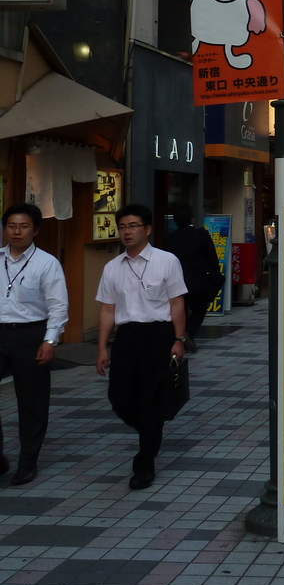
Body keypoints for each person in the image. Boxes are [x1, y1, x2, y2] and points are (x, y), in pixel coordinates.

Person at [95, 204, 187, 490]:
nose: (127, 232)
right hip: (126, 338)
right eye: (122, 227)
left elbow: (176, 303)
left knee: (149, 399)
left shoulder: (166, 261)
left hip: (158, 336)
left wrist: (178, 339)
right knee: (120, 399)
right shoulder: (112, 267)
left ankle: (144, 463)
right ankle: (152, 428)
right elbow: (107, 310)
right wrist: (101, 348)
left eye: (133, 226)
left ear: (147, 229)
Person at [0, 203, 68, 486]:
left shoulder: (47, 263)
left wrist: (50, 339)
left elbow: (58, 305)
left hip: (31, 336)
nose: (17, 231)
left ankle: (27, 463)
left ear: (35, 230)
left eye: (23, 226)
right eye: (12, 226)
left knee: (32, 403)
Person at [160, 204, 222, 353]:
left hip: (175, 281)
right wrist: (214, 274)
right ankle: (188, 332)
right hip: (197, 281)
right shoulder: (201, 235)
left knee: (179, 307)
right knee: (200, 308)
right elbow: (212, 258)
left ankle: (180, 336)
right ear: (192, 218)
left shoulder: (170, 238)